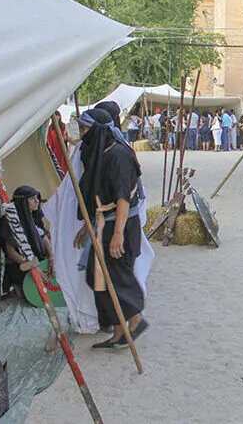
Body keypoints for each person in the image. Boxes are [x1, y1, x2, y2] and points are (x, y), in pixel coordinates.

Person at [75, 108, 149, 349]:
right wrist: (87, 227)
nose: (82, 135)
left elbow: (122, 200)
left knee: (115, 276)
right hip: (104, 223)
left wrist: (116, 235)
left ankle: (135, 320)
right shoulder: (102, 154)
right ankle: (119, 331)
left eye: (85, 130)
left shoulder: (118, 155)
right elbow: (97, 197)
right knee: (98, 278)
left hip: (121, 225)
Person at [0, 185, 54, 294]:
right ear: (22, 202)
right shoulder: (9, 221)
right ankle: (18, 284)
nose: (37, 201)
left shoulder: (33, 216)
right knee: (36, 294)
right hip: (20, 264)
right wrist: (32, 267)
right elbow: (11, 251)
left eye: (37, 198)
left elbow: (45, 238)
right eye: (32, 199)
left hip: (40, 260)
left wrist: (51, 257)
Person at [46, 110, 68, 179]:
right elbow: (49, 140)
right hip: (55, 149)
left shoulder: (63, 126)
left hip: (62, 149)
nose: (57, 117)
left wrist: (64, 138)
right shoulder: (50, 128)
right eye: (55, 116)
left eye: (57, 116)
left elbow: (66, 137)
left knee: (63, 163)